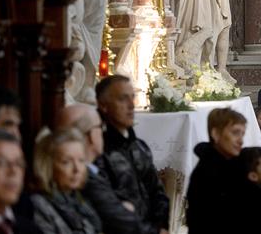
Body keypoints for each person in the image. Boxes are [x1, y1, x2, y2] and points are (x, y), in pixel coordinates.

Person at [56, 104, 158, 234]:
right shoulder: (80, 176)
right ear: (91, 135)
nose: (103, 132)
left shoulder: (97, 164)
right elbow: (124, 222)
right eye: (100, 127)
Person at [95, 75, 170, 234]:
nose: (131, 105)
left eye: (132, 97)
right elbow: (111, 210)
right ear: (104, 105)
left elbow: (158, 192)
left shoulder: (139, 146)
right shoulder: (98, 151)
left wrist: (161, 225)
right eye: (123, 99)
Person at [186, 108, 246, 234]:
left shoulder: (233, 164)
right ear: (216, 134)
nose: (241, 140)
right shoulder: (207, 173)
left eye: (242, 134)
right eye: (235, 133)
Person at [31, 128, 102, 234]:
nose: (77, 169)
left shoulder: (79, 198)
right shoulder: (38, 204)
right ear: (48, 165)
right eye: (66, 162)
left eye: (81, 160)